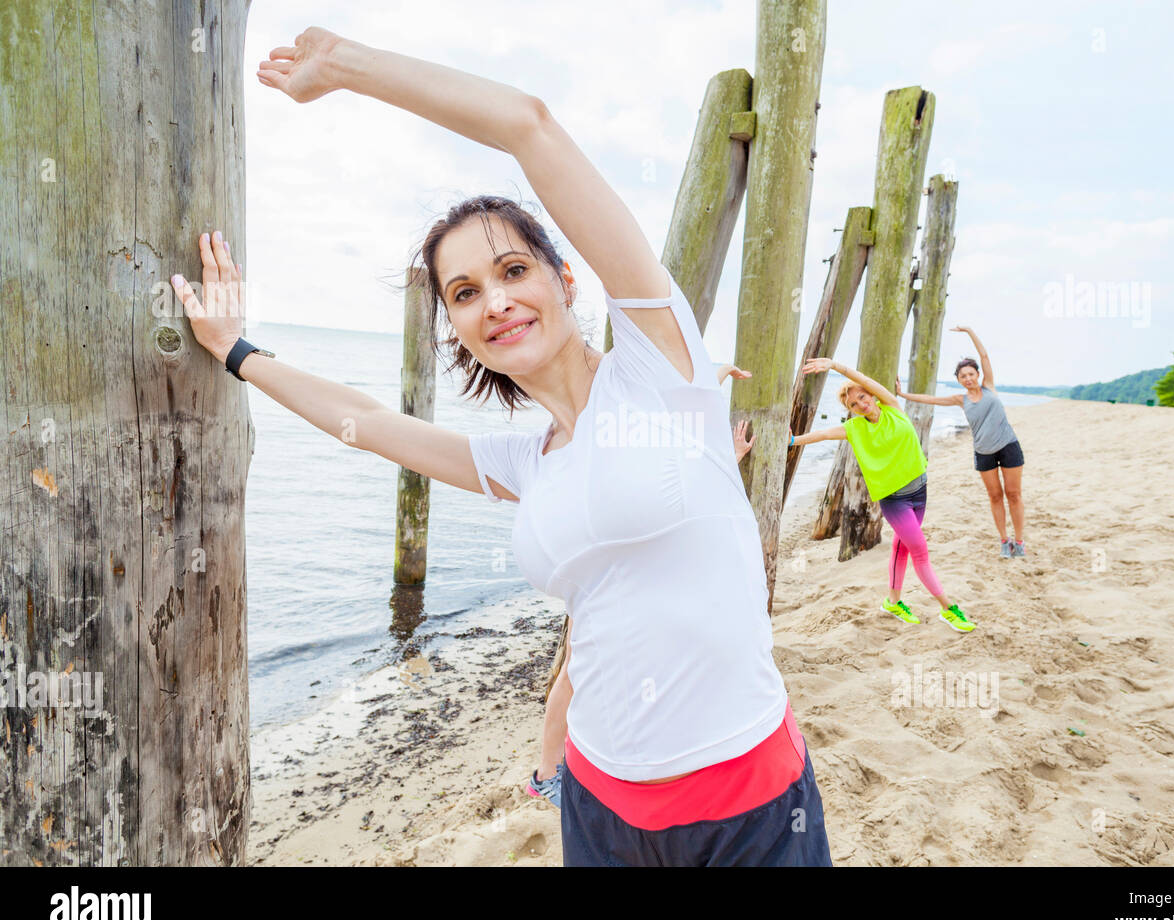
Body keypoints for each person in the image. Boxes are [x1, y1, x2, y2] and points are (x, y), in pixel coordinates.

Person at [174, 27, 831, 866]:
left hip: (748, 802)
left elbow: (530, 126)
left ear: (565, 280)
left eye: (513, 270)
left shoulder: (664, 372)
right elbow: (368, 426)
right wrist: (236, 350)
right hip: (598, 804)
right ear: (454, 326)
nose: (495, 301)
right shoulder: (528, 463)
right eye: (464, 292)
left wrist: (345, 69)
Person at [529, 367, 756, 808]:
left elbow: (682, 466)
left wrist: (727, 446)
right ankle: (545, 773)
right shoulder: (599, 434)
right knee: (577, 668)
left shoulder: (637, 431)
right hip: (607, 573)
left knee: (611, 666)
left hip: (633, 570)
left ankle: (579, 765)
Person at [794, 358, 976, 633]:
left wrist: (835, 366)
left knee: (901, 547)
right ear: (851, 411)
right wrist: (794, 441)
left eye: (863, 397)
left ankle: (892, 602)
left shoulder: (892, 407)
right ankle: (949, 610)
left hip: (919, 491)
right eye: (853, 405)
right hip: (895, 500)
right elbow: (822, 434)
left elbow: (866, 381)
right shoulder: (856, 429)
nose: (861, 404)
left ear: (872, 396)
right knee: (920, 552)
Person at [895, 326, 1026, 557]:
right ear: (959, 380)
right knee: (995, 496)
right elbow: (930, 399)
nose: (968, 379)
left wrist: (969, 331)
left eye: (971, 374)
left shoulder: (990, 387)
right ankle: (1004, 540)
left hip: (1008, 446)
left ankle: (1020, 541)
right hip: (984, 452)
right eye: (963, 376)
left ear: (977, 375)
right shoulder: (960, 399)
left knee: (1013, 494)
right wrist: (903, 395)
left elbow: (984, 356)